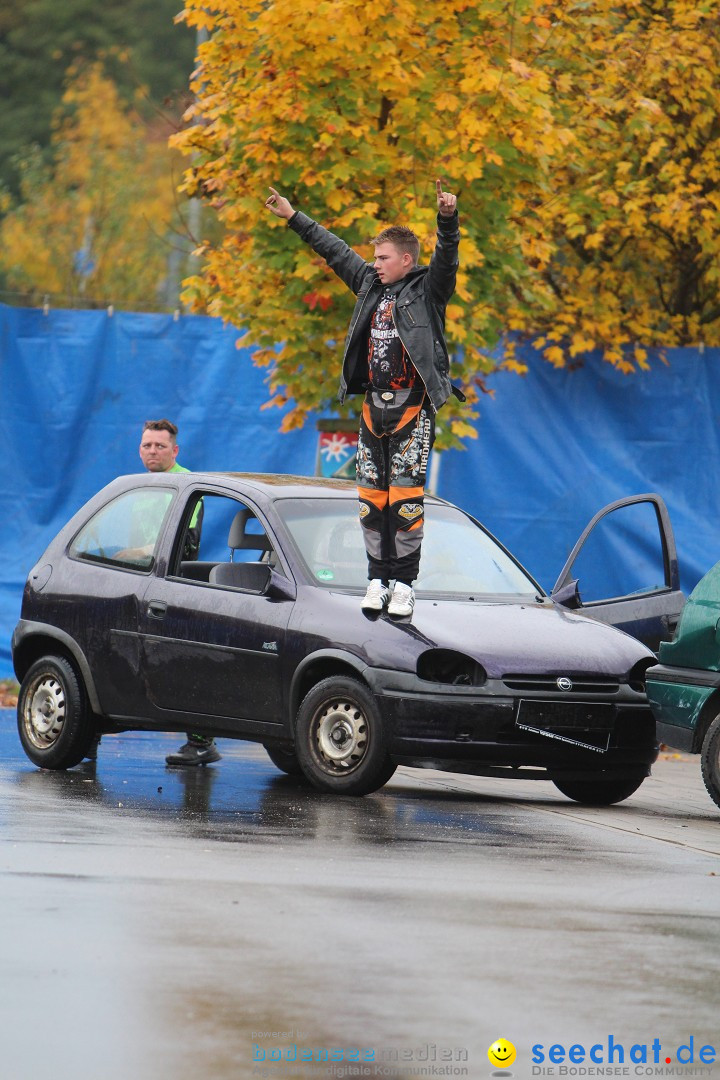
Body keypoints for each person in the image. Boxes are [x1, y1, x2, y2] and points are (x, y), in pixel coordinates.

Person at [265, 179, 463, 617]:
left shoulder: (428, 291)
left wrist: (447, 221)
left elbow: (446, 260)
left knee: (406, 498)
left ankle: (404, 585)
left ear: (406, 260)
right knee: (371, 499)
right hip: (373, 409)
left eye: (382, 258)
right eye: (373, 258)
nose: (374, 264)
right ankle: (377, 579)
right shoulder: (369, 285)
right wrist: (294, 217)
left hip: (412, 407)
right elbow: (333, 250)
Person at [87, 420, 220, 767]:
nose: (152, 451)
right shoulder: (142, 487)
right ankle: (87, 737)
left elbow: (183, 545)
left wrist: (135, 555)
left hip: (175, 590)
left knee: (184, 662)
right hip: (141, 586)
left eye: (160, 446)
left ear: (175, 451)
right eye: (147, 445)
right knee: (114, 655)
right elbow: (135, 544)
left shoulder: (187, 484)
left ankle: (202, 742)